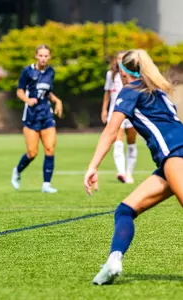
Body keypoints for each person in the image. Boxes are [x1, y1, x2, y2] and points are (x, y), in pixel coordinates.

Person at [84, 49, 183, 285]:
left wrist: (92, 166)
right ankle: (113, 262)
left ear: (122, 72)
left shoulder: (130, 91)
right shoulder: (158, 91)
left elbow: (110, 131)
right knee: (125, 210)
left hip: (175, 155)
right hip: (170, 160)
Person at [11, 44, 63, 193]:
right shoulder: (27, 71)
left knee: (49, 148)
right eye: (41, 55)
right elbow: (19, 91)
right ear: (36, 55)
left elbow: (48, 93)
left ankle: (46, 184)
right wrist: (27, 101)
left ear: (49, 57)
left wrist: (57, 101)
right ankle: (17, 170)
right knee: (32, 153)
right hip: (31, 116)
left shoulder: (51, 72)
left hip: (46, 115)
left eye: (46, 56)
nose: (43, 58)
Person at [101, 51, 138, 184]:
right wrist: (104, 110)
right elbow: (107, 93)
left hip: (131, 112)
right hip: (116, 111)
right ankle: (121, 171)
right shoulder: (111, 75)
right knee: (117, 141)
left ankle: (129, 173)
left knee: (131, 142)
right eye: (118, 58)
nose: (120, 61)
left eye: (123, 59)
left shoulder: (134, 75)